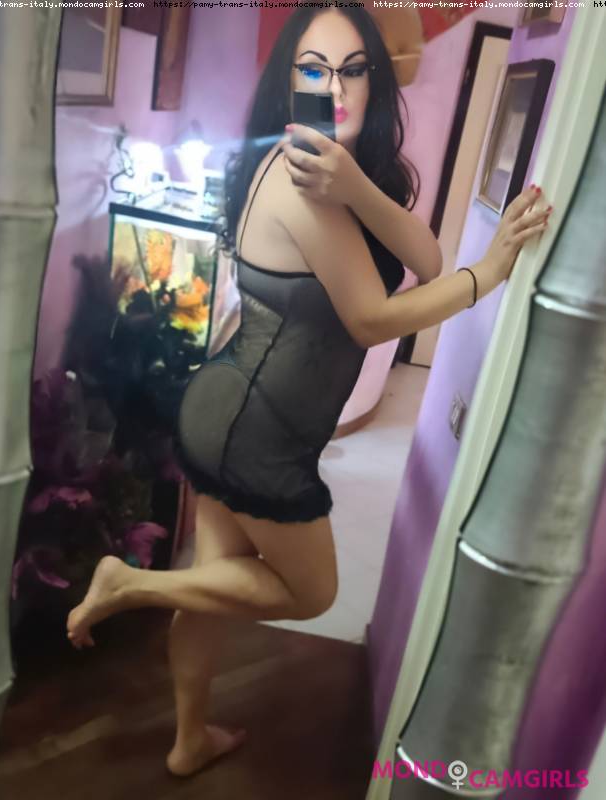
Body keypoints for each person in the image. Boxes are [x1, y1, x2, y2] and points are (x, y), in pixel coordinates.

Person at [66, 8, 553, 778]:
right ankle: (128, 582)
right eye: (315, 70)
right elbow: (371, 319)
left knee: (215, 590)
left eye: (354, 69)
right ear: (289, 80)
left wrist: (358, 185)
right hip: (253, 431)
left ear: (376, 80)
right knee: (312, 590)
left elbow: (424, 257)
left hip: (226, 407)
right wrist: (487, 273)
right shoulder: (306, 186)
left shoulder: (323, 172)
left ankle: (189, 739)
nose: (338, 89)